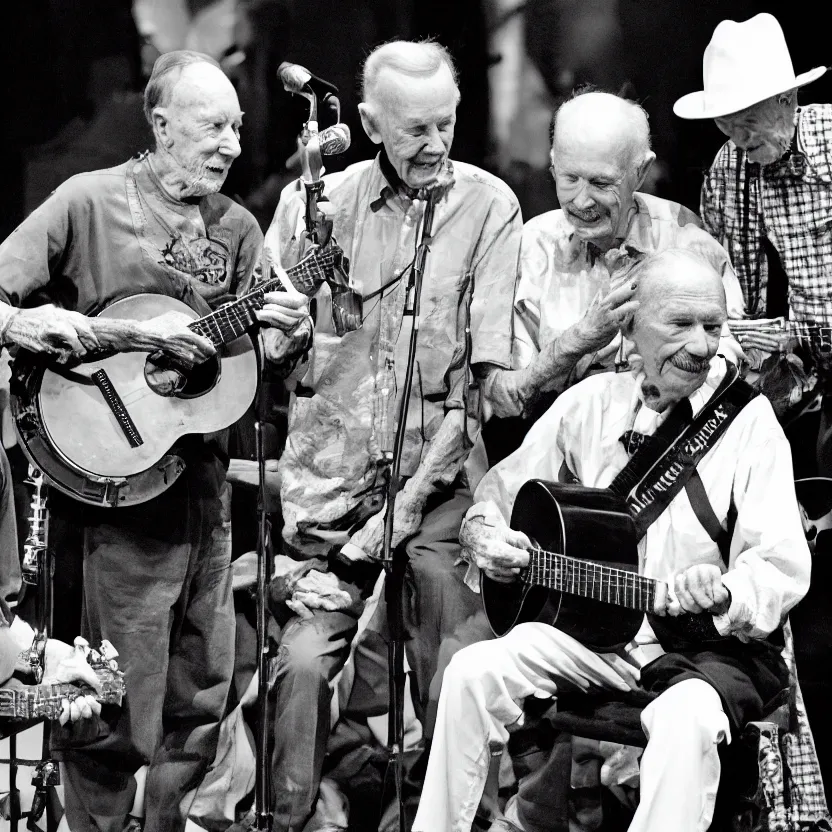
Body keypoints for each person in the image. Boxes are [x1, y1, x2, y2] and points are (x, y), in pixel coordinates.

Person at [0, 50, 300, 832]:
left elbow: (247, 358)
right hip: (113, 500)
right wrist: (54, 326)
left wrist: (286, 339)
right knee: (111, 703)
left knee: (203, 690)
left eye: (237, 126)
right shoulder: (87, 201)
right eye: (213, 126)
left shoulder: (237, 226)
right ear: (161, 125)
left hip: (202, 492)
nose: (232, 144)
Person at [413, 248, 811, 832]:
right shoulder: (589, 404)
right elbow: (496, 496)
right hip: (600, 637)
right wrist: (484, 536)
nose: (701, 346)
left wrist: (725, 592)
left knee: (686, 719)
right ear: (628, 325)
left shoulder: (749, 422)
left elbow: (780, 563)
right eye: (680, 325)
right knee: (474, 672)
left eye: (713, 327)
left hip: (706, 651)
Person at [261, 39, 521, 831]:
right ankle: (294, 817)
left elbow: (477, 392)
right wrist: (278, 332)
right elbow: (273, 353)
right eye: (414, 130)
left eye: (446, 123)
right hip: (331, 495)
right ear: (370, 124)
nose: (435, 145)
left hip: (433, 489)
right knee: (300, 668)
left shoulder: (488, 206)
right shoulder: (316, 204)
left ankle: (458, 819)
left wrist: (397, 519)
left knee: (455, 655)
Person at [675, 10, 832, 794]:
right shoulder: (727, 172)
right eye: (726, 119)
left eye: (750, 115)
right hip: (800, 405)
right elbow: (728, 302)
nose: (739, 132)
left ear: (787, 100)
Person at [482, 89, 746, 425]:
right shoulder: (533, 246)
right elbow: (506, 400)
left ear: (640, 171)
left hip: (670, 454)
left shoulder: (684, 238)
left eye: (600, 182)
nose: (581, 201)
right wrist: (576, 342)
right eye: (569, 178)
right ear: (552, 166)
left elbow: (729, 363)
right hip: (558, 458)